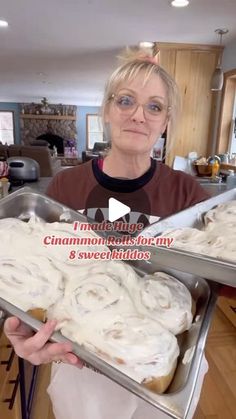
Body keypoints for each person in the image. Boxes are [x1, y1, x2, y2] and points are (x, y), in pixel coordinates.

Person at [4, 48, 235, 419]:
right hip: (82, 364)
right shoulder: (66, 187)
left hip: (161, 367)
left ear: (166, 121)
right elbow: (38, 283)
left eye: (154, 106)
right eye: (126, 100)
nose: (138, 115)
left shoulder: (189, 198)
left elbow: (216, 281)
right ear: (107, 110)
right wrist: (21, 332)